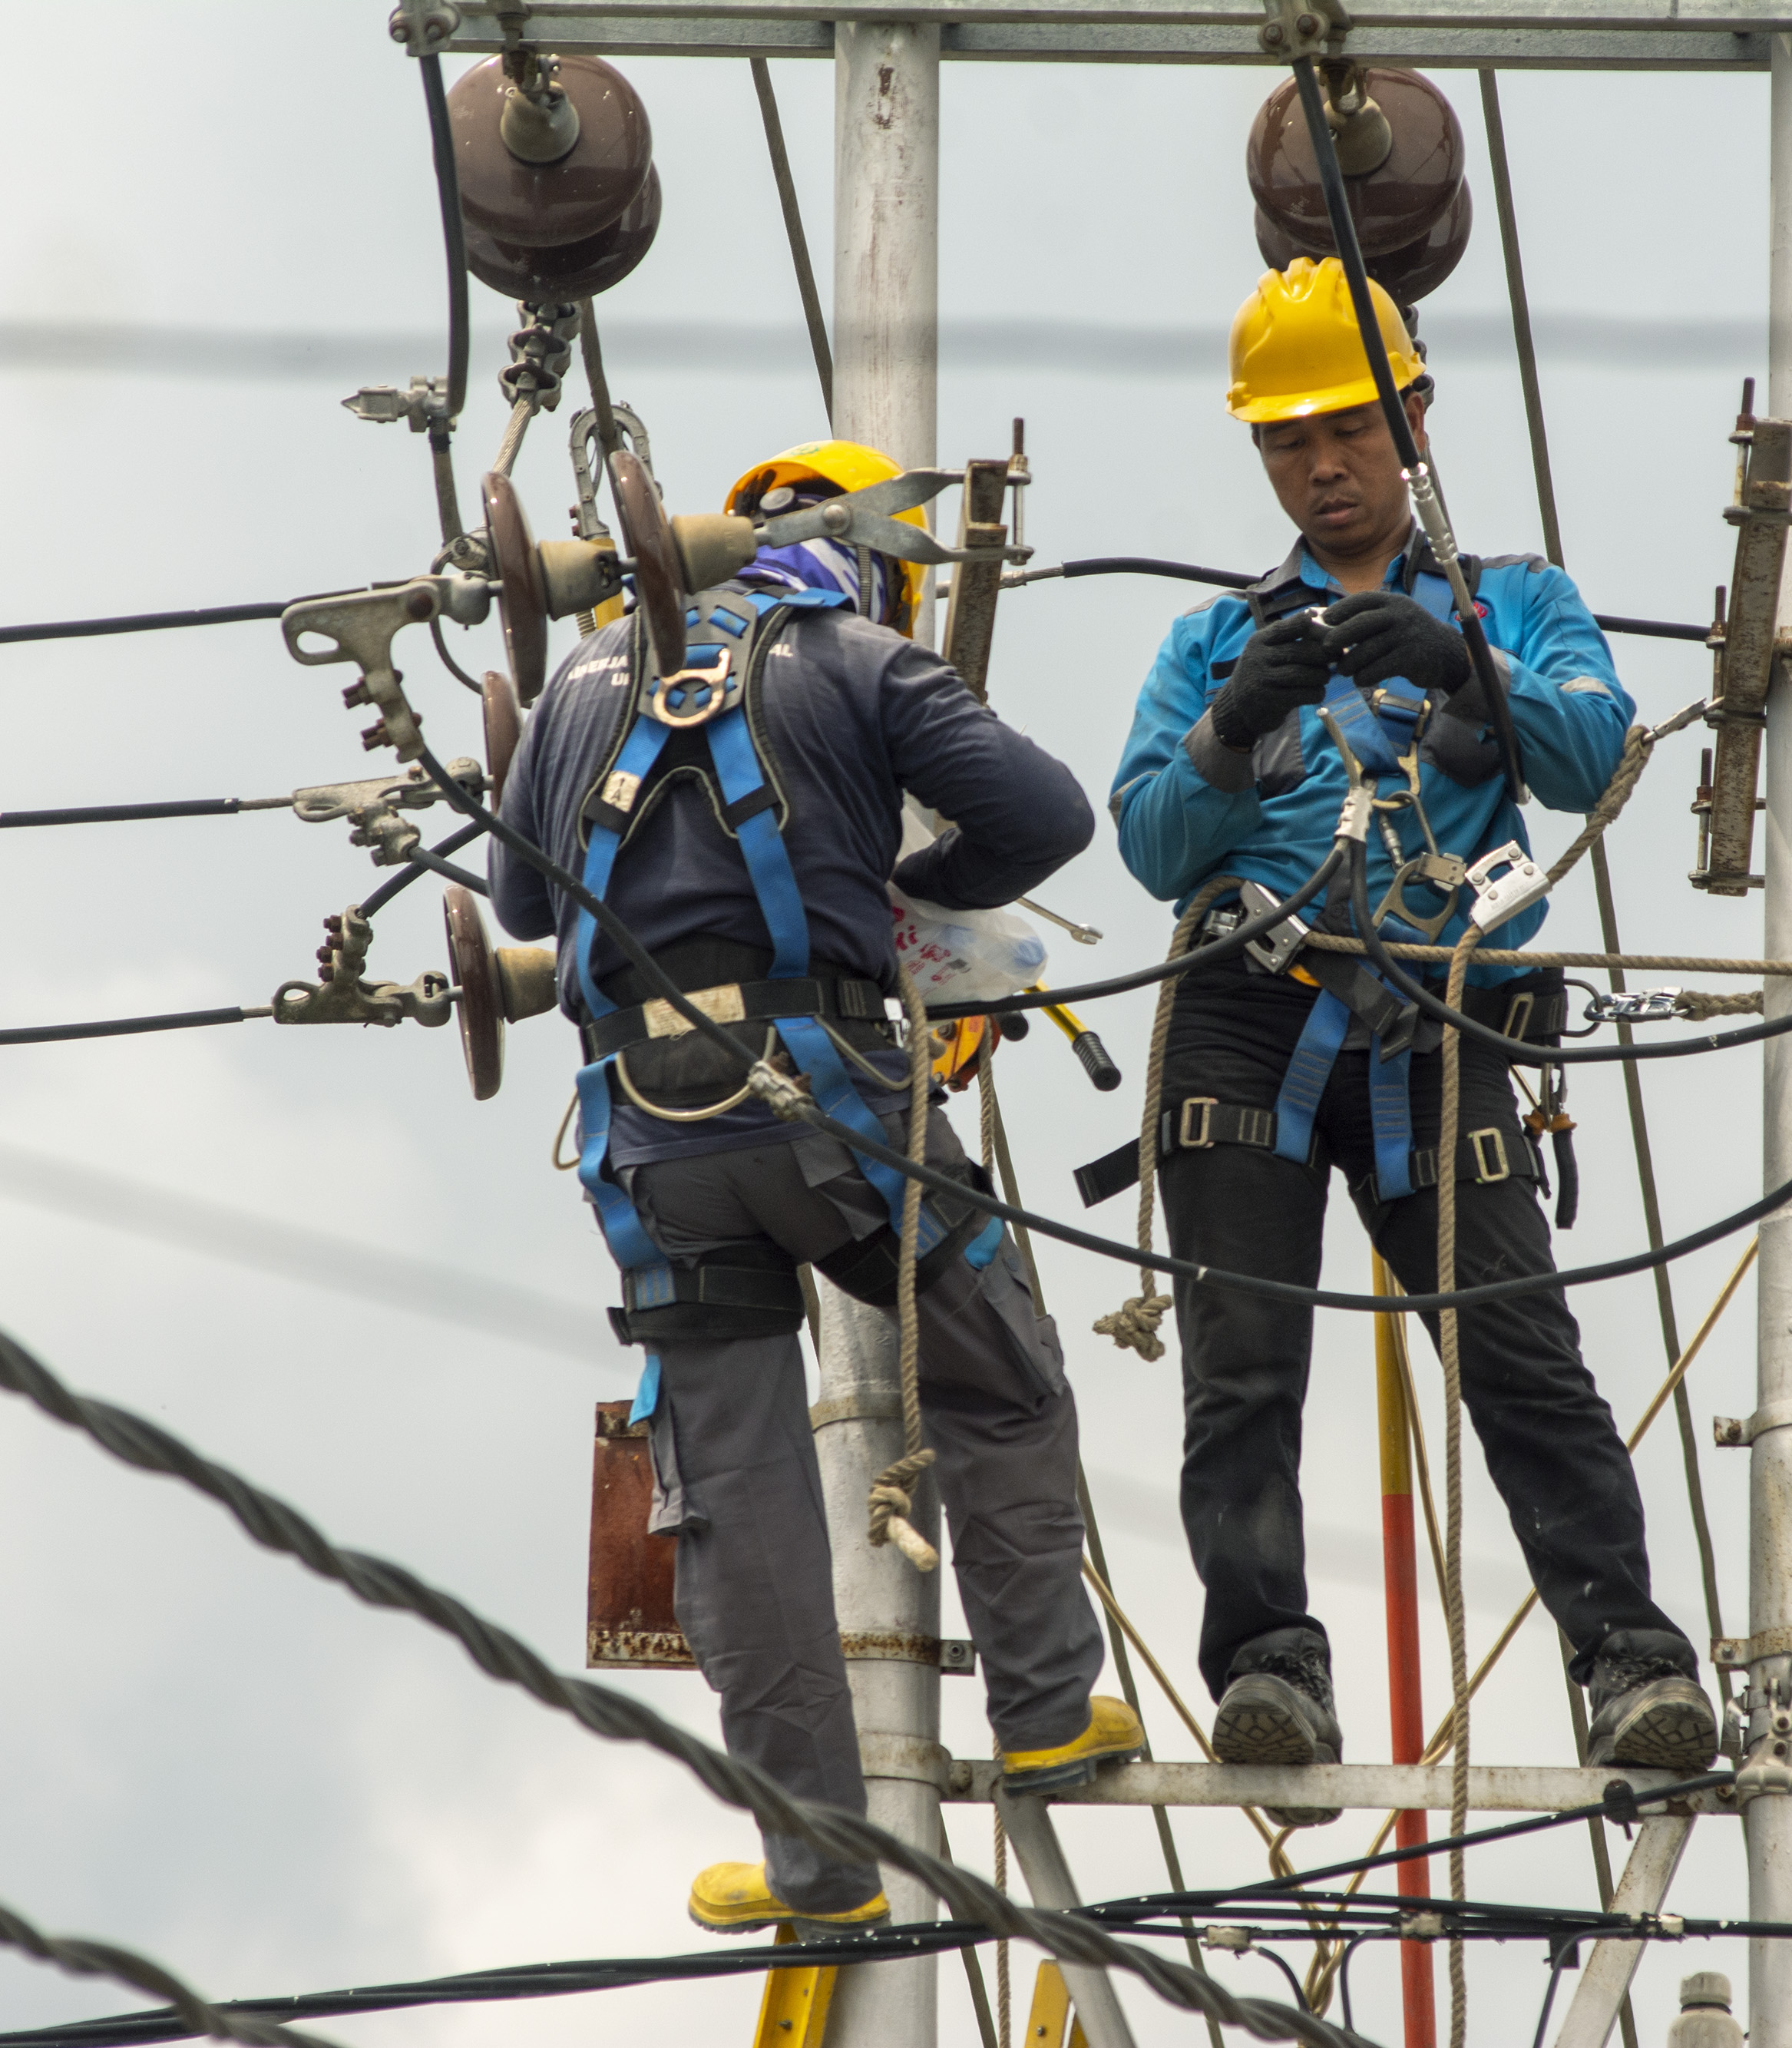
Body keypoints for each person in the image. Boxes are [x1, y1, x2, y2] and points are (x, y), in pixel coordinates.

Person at [493, 438, 1140, 1932]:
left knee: (734, 1497)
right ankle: (1045, 1711)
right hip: (831, 1103)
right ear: (875, 564)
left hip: (650, 1141)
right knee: (995, 1364)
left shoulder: (572, 687)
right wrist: (898, 887)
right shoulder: (858, 657)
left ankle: (818, 1866)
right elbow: (1045, 820)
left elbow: (526, 902)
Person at [1101, 260, 1714, 1813]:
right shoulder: (1212, 640)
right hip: (1248, 1013)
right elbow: (1153, 842)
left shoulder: (1516, 602)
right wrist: (1232, 727)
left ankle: (1630, 1661)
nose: (1323, 464)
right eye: (1289, 438)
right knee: (1242, 1363)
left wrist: (1466, 671)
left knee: (1518, 1351)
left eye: (1351, 428)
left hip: (1440, 1019)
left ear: (1414, 420)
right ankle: (1266, 1664)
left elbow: (1594, 754)